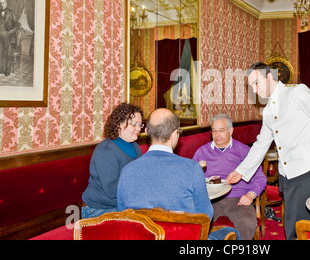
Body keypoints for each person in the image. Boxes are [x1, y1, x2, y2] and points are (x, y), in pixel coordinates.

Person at [227, 62, 310, 240]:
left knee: (305, 225)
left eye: (256, 83)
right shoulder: (269, 109)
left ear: (269, 77)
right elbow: (261, 144)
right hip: (288, 174)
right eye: (251, 86)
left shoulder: (297, 93)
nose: (254, 91)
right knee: (292, 223)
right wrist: (241, 171)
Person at [117, 108, 239, 240]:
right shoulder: (192, 169)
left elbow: (122, 215)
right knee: (231, 233)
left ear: (146, 132)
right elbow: (206, 216)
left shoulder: (127, 171)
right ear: (174, 134)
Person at [192, 113, 266, 240]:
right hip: (210, 200)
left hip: (237, 199)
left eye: (221, 130)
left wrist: (251, 194)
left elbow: (260, 178)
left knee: (247, 223)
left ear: (231, 131)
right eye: (214, 131)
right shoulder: (202, 152)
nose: (217, 135)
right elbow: (192, 178)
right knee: (196, 224)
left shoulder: (243, 151)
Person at [81, 103, 144, 218]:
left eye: (140, 124)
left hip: (124, 204)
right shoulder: (106, 150)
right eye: (133, 124)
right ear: (119, 124)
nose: (138, 129)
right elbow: (112, 190)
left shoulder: (134, 146)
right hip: (97, 209)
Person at [0, 0, 19, 76]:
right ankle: (1, 70)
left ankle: (7, 72)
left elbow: (16, 24)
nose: (1, 5)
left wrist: (11, 32)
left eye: (3, 3)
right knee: (0, 54)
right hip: (0, 36)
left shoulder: (11, 13)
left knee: (8, 54)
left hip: (8, 36)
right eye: (0, 3)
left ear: (6, 3)